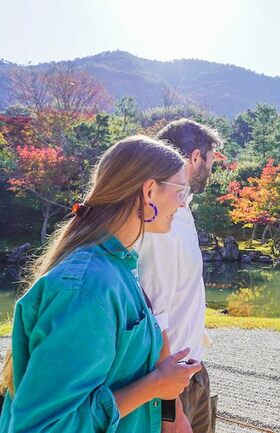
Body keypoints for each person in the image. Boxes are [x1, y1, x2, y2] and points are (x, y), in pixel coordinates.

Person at [0, 136, 202, 433]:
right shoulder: (87, 289)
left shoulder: (118, 267)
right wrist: (155, 385)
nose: (183, 203)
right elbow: (45, 427)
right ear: (149, 191)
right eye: (180, 190)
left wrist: (162, 385)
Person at [137, 119, 222, 433]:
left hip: (191, 373)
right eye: (210, 162)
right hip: (169, 385)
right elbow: (153, 314)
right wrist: (171, 411)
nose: (210, 172)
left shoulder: (182, 210)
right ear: (195, 157)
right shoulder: (160, 220)